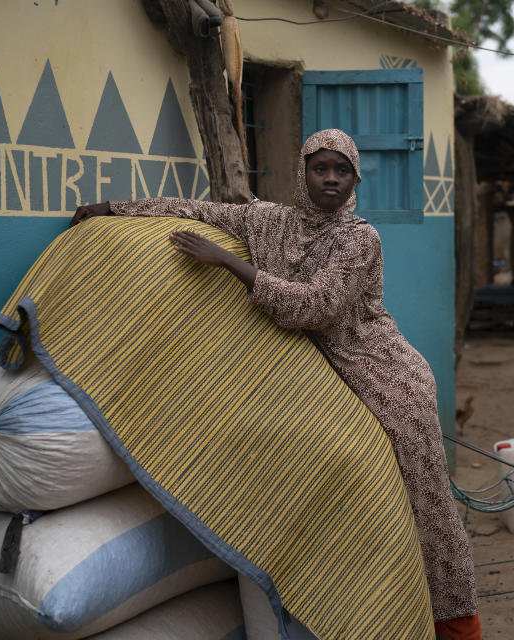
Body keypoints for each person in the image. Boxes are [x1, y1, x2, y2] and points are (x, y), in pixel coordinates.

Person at [70, 129, 481, 640]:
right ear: (302, 172)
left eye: (342, 171)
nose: (330, 179)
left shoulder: (358, 238)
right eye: (320, 168)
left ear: (355, 180)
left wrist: (229, 263)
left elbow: (315, 308)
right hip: (320, 368)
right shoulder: (267, 220)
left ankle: (454, 624)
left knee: (422, 505)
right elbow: (192, 210)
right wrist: (113, 208)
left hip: (383, 374)